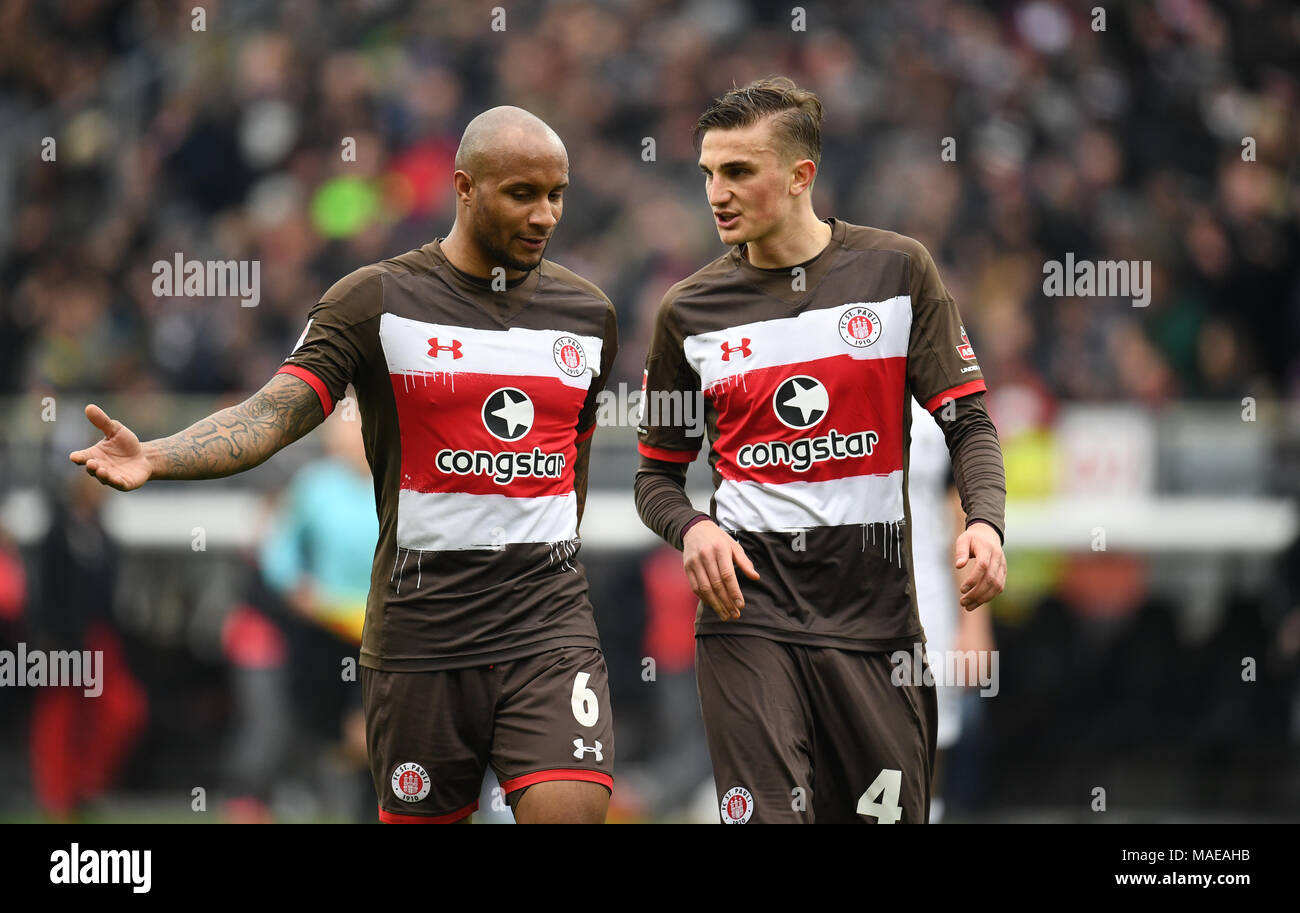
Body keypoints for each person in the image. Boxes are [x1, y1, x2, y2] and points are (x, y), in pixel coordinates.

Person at [70, 106, 619, 824]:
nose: (545, 214)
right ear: (463, 186)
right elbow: (271, 414)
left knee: (570, 808)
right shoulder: (375, 302)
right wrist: (158, 456)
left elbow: (568, 465)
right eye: (523, 193)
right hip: (422, 636)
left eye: (557, 194)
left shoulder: (588, 316)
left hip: (547, 627)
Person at [634, 77, 1007, 823]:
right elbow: (657, 477)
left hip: (876, 626)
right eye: (707, 172)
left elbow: (970, 423)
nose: (717, 192)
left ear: (802, 175)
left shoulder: (898, 274)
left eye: (738, 171)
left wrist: (986, 523)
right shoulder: (688, 311)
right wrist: (694, 527)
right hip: (749, 617)